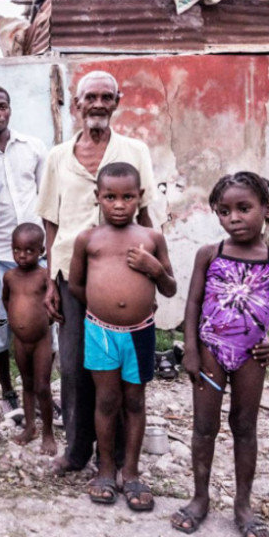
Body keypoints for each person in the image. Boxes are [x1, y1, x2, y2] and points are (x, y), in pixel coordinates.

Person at [170, 172, 269, 537]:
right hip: (210, 353)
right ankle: (200, 498)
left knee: (244, 427)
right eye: (224, 211)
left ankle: (243, 506)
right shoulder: (210, 254)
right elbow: (193, 302)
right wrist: (189, 347)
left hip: (251, 357)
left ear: (267, 209)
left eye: (244, 208)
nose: (234, 217)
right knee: (203, 427)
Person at [36, 71, 160, 476]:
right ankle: (77, 451)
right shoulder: (58, 156)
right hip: (72, 277)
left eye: (107, 96)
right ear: (76, 104)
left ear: (117, 102)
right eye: (91, 96)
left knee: (122, 372)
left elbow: (147, 215)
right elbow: (50, 221)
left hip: (123, 273)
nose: (99, 104)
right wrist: (50, 280)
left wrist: (150, 277)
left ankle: (124, 458)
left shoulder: (135, 151)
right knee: (73, 366)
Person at [69, 163, 176, 511]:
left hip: (140, 332)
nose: (118, 204)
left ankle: (130, 472)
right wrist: (103, 309)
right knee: (106, 400)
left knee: (135, 401)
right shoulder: (88, 239)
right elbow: (76, 284)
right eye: (110, 197)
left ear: (139, 197)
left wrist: (155, 269)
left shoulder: (151, 239)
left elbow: (170, 288)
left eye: (127, 197)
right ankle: (104, 469)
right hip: (100, 331)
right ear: (97, 197)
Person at [0, 85, 49, 422]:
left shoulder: (33, 147)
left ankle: (43, 392)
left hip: (38, 254)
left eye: (1, 106)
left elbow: (47, 198)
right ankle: (8, 392)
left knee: (42, 327)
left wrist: (51, 249)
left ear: (10, 109)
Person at [2, 223, 57, 456]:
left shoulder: (44, 276)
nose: (22, 256)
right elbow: (6, 300)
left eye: (29, 251)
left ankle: (48, 433)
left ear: (41, 250)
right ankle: (30, 428)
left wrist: (41, 321)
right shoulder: (10, 276)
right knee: (26, 383)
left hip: (41, 340)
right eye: (17, 250)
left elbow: (54, 302)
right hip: (20, 340)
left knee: (43, 387)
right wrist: (17, 320)